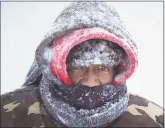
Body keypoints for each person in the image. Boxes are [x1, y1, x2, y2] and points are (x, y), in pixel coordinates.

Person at [1, 1, 164, 127]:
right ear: (60, 68)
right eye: (79, 66)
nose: (89, 80)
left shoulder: (152, 119)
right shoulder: (9, 113)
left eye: (102, 68)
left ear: (118, 70)